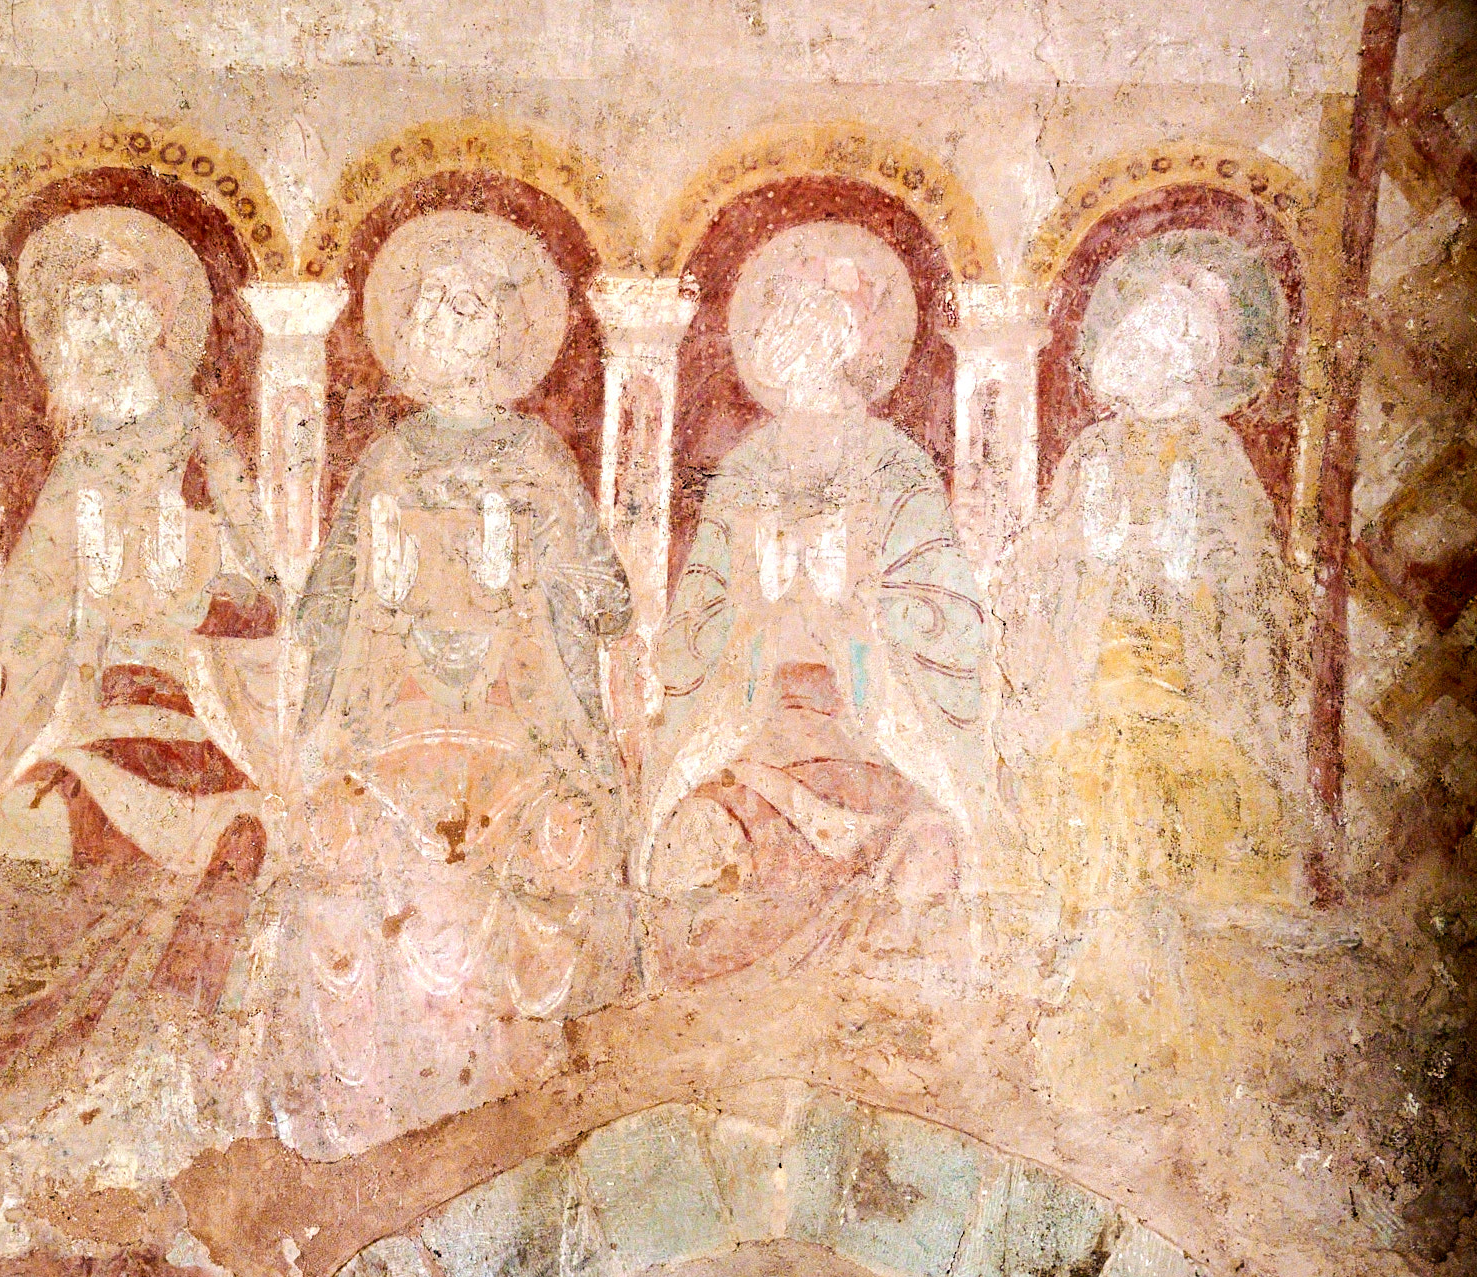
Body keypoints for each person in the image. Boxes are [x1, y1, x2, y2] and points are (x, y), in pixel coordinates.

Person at [275, 210, 633, 1158]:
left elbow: (609, 603)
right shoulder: (387, 463)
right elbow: (318, 613)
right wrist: (379, 595)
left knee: (560, 841)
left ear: (503, 334)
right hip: (392, 739)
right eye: (429, 309)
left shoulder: (536, 460)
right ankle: (369, 1125)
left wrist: (529, 570)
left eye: (466, 308)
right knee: (339, 840)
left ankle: (524, 1128)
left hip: (522, 741)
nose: (444, 326)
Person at [0, 206, 279, 1089]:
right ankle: (40, 1089)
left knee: (236, 834)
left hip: (198, 723)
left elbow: (267, 602)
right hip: (92, 721)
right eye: (79, 314)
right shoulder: (79, 465)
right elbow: (20, 619)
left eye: (112, 309)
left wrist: (195, 588)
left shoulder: (202, 448)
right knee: (28, 823)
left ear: (155, 323)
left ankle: (163, 1079)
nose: (94, 333)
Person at [643, 223, 988, 981]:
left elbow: (953, 624)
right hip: (756, 732)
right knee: (689, 842)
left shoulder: (893, 466)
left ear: (848, 340)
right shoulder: (744, 471)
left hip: (867, 735)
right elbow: (688, 633)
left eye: (810, 321)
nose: (790, 339)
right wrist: (753, 600)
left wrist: (857, 602)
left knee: (929, 844)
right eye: (780, 323)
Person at [993, 233, 1303, 919]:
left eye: (1158, 336)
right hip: (1088, 667)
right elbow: (1036, 565)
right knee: (1086, 759)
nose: (1135, 346)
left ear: (1192, 360)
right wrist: (1078, 557)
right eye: (1134, 330)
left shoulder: (1215, 452)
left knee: (1156, 764)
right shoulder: (1092, 450)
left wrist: (1188, 568)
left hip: (1188, 672)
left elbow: (1254, 583)